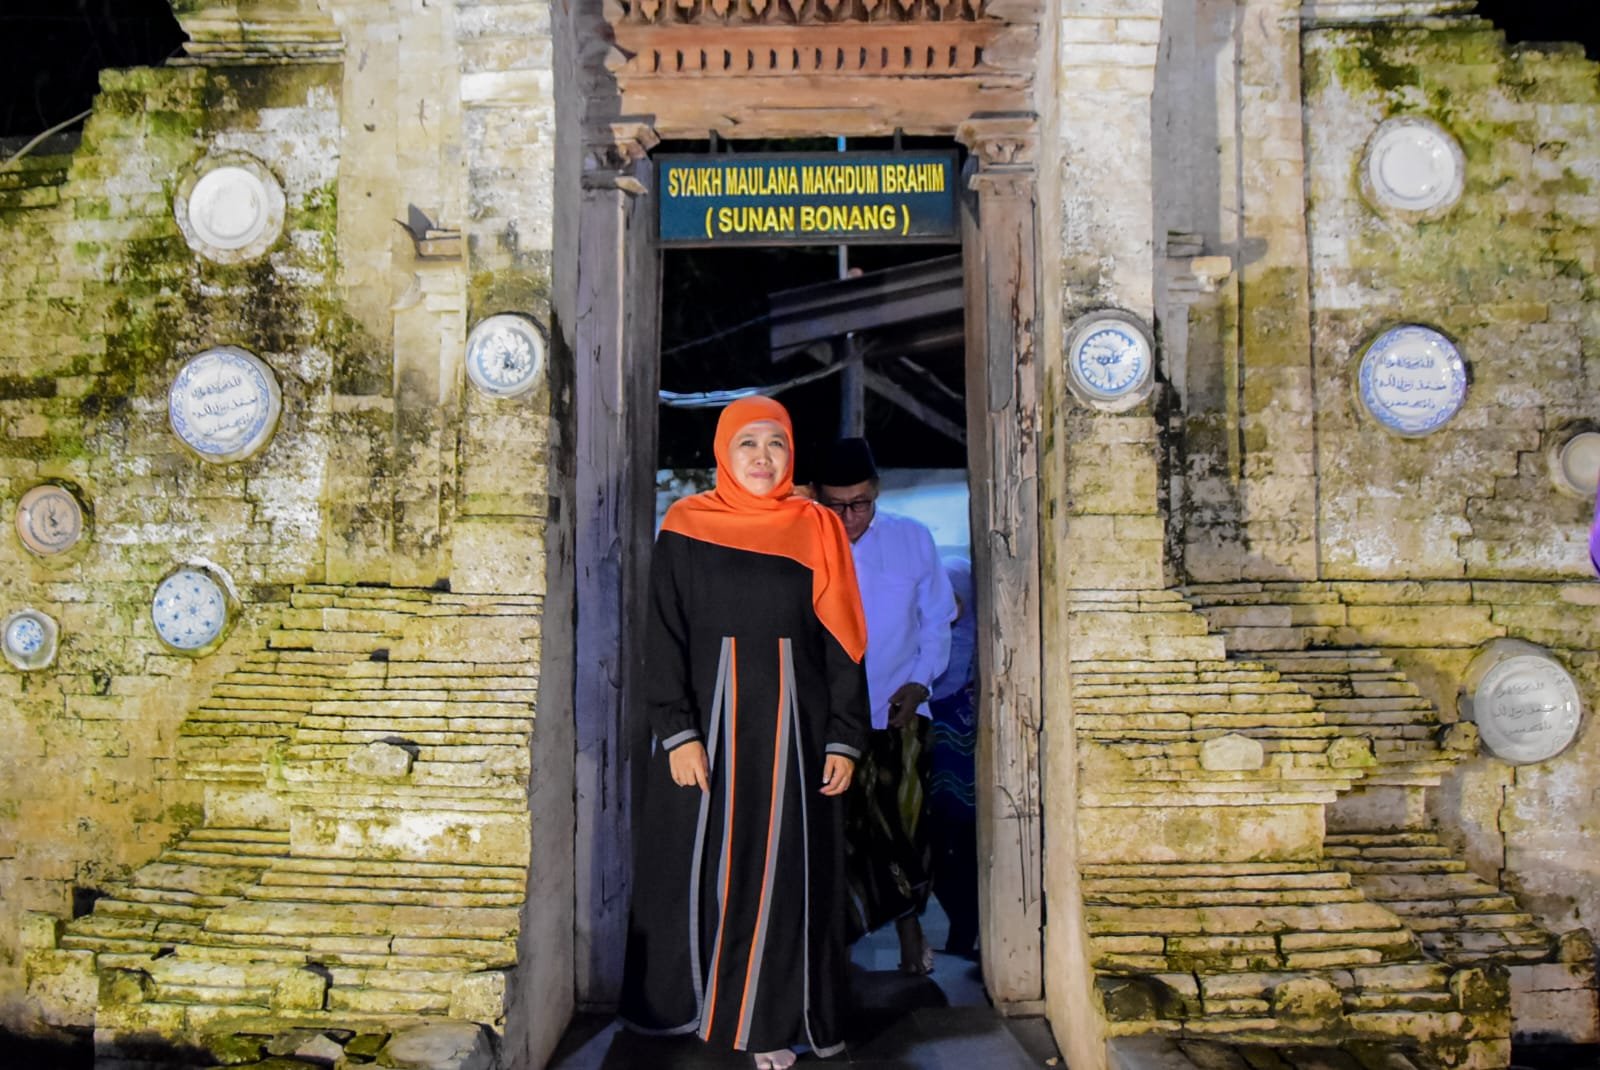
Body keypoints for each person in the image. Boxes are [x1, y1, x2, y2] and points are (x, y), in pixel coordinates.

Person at [620, 396, 870, 1070]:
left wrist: (845, 737)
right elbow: (663, 635)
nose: (763, 458)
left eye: (777, 445)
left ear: (793, 456)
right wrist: (677, 732)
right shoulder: (685, 524)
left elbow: (844, 640)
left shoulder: (816, 526)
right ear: (723, 454)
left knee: (781, 877)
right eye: (748, 444)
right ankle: (696, 1007)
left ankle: (766, 1020)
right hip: (709, 736)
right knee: (707, 872)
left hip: (795, 738)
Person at [813, 438, 957, 975]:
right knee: (840, 835)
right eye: (837, 505)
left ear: (877, 493)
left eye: (861, 503)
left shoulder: (912, 539)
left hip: (900, 707)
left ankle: (910, 929)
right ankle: (837, 948)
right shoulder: (801, 543)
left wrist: (920, 684)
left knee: (908, 829)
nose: (850, 517)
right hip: (825, 719)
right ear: (815, 497)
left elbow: (937, 618)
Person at [926, 556, 979, 957]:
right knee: (945, 837)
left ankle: (965, 930)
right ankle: (964, 929)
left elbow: (950, 609)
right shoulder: (948, 572)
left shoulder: (950, 575)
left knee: (953, 835)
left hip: (953, 715)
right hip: (942, 710)